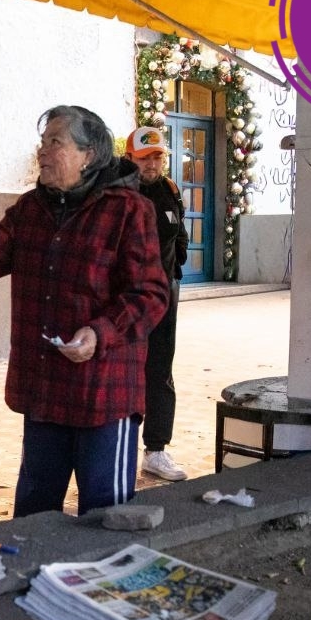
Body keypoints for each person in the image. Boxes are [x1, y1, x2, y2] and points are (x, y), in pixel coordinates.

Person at [0, 106, 168, 517]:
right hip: (44, 391)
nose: (42, 151)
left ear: (88, 155)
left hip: (103, 393)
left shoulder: (128, 210)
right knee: (33, 518)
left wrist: (100, 332)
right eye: (42, 142)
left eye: (54, 142)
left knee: (107, 518)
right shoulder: (31, 209)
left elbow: (149, 294)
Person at [125, 126, 190, 482]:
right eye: (144, 158)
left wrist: (174, 269)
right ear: (129, 158)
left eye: (157, 157)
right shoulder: (117, 193)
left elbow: (180, 234)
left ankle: (156, 450)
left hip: (165, 296)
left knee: (160, 371)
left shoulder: (170, 190)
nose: (151, 164)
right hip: (127, 300)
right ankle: (118, 450)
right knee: (124, 372)